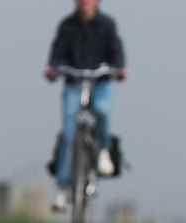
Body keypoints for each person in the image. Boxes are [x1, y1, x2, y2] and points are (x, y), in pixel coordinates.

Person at [45, 0, 127, 211]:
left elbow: (116, 50)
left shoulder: (107, 24)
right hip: (74, 83)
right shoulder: (67, 25)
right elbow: (57, 51)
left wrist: (119, 68)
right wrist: (52, 67)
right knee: (69, 134)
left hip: (100, 82)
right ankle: (63, 189)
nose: (85, 3)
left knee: (101, 111)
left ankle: (103, 152)